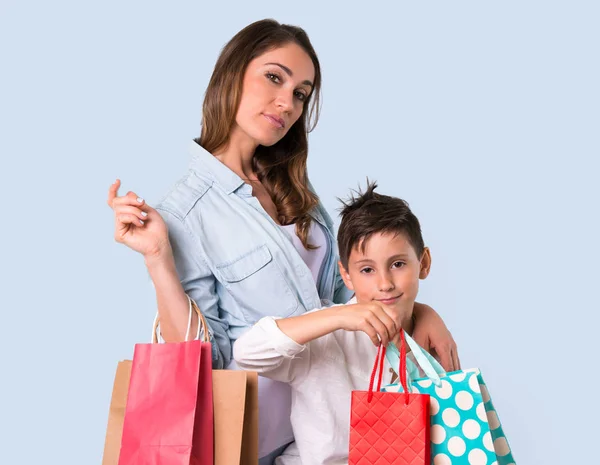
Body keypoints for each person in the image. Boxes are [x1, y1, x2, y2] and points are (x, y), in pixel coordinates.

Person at [107, 19, 459, 464]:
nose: (287, 103)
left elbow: (347, 304)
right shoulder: (186, 211)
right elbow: (201, 360)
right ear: (232, 74)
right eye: (274, 77)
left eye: (301, 94)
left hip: (325, 436)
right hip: (248, 441)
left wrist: (420, 312)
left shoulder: (298, 194)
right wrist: (158, 258)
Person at [233, 182, 436, 465]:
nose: (384, 284)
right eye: (367, 269)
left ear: (423, 263)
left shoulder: (430, 341)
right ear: (347, 275)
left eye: (398, 264)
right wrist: (338, 316)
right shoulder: (329, 338)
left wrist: (428, 316)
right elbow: (247, 353)